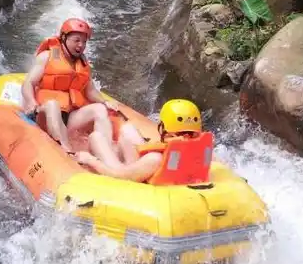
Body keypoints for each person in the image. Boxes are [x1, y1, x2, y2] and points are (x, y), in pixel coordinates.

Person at [21, 18, 118, 153]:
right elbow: (28, 83)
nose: (81, 45)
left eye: (84, 42)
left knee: (99, 109)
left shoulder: (83, 65)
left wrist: (105, 101)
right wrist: (31, 102)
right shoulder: (47, 56)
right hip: (44, 114)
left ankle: (106, 152)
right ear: (64, 38)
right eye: (76, 40)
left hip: (68, 117)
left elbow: (90, 91)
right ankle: (66, 152)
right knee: (53, 105)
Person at [76, 99, 208, 183]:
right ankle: (116, 149)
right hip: (147, 170)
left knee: (96, 138)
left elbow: (119, 177)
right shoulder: (201, 152)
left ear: (164, 127)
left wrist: (90, 160)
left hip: (125, 174)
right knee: (127, 129)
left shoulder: (155, 159)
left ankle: (110, 150)